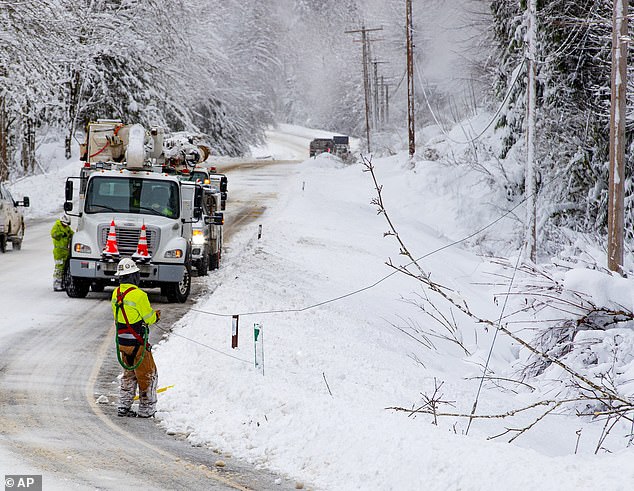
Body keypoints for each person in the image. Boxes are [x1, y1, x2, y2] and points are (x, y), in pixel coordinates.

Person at [111, 258, 161, 418]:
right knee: (148, 374)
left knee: (129, 374)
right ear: (133, 276)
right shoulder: (139, 295)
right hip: (138, 344)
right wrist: (156, 316)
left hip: (123, 344)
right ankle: (146, 410)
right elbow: (148, 318)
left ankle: (123, 406)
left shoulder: (116, 293)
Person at [50, 214, 74, 291]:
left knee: (64, 268)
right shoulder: (57, 226)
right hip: (59, 252)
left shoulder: (67, 228)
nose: (65, 226)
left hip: (65, 251)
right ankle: (56, 284)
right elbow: (53, 234)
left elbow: (71, 233)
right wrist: (61, 234)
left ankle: (62, 283)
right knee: (59, 268)